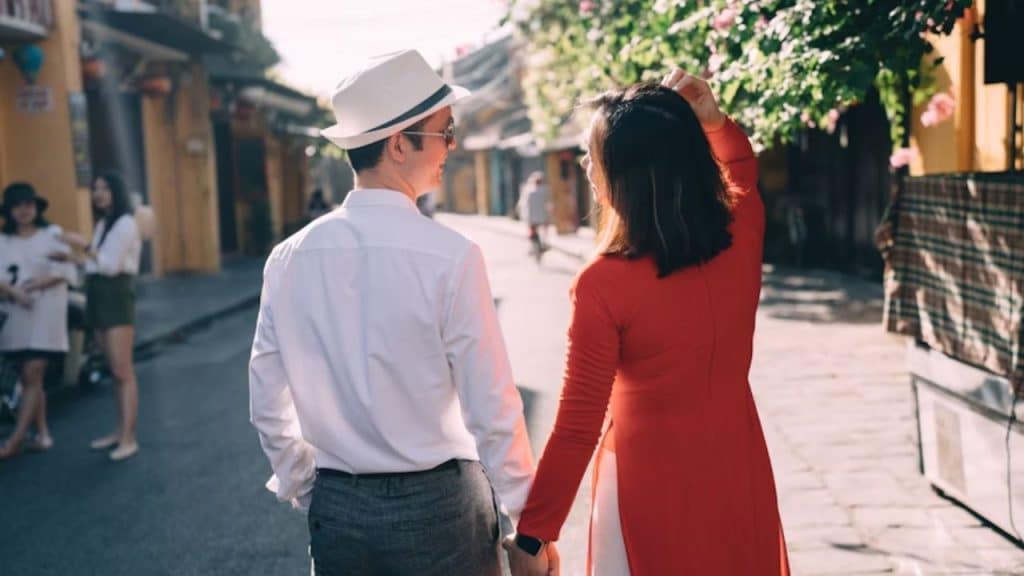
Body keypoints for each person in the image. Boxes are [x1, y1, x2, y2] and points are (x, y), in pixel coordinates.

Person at [249, 49, 551, 576]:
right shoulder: (451, 256)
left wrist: (310, 487)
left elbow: (266, 400)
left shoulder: (289, 257)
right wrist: (528, 528)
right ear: (397, 144)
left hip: (338, 509)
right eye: (445, 131)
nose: (452, 145)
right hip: (441, 510)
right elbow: (492, 407)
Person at [505, 70, 789, 575]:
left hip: (646, 488)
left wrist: (533, 535)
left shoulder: (603, 284)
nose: (586, 165)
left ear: (628, 176)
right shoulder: (741, 237)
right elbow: (740, 168)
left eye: (594, 155)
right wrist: (716, 122)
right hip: (737, 469)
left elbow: (578, 424)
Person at [54, 172, 142, 461]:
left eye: (105, 188)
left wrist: (81, 243)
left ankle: (129, 438)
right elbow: (95, 265)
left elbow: (109, 265)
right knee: (112, 369)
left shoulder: (126, 223)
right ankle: (119, 431)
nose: (99, 193)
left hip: (115, 295)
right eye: (96, 189)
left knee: (123, 370)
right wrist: (72, 259)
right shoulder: (105, 223)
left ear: (117, 191)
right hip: (98, 294)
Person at [0, 183, 77, 459]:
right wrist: (13, 292)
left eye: (28, 204)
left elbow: (65, 271)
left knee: (33, 372)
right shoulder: (3, 241)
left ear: (37, 208)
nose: (24, 210)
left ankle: (15, 439)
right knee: (30, 377)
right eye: (17, 206)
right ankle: (43, 433)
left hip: (45, 314)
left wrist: (35, 285)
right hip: (16, 316)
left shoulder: (52, 235)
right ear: (9, 211)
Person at [517, 171, 551, 259]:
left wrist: (522, 215)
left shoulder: (528, 191)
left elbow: (522, 204)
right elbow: (548, 204)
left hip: (531, 217)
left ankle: (534, 247)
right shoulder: (545, 191)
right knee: (543, 231)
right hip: (541, 216)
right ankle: (542, 245)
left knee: (532, 232)